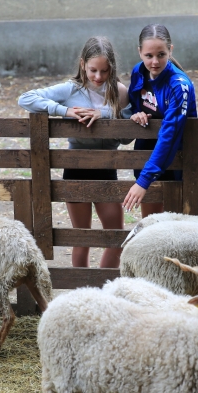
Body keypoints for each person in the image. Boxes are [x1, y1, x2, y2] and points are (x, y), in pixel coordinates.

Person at [18, 37, 129, 268]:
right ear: (82, 64)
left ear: (112, 68)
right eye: (93, 70)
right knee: (81, 237)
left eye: (104, 71)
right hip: (76, 165)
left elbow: (127, 137)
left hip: (107, 166)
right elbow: (25, 98)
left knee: (116, 237)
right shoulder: (71, 89)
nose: (98, 77)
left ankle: (102, 291)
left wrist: (106, 116)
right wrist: (63, 110)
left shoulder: (119, 92)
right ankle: (81, 292)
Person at [123, 24, 197, 217]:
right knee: (151, 226)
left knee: (177, 228)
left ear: (170, 50)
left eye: (161, 55)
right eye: (149, 56)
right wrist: (136, 112)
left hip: (176, 159)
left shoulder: (179, 86)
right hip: (146, 153)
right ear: (139, 52)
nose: (154, 61)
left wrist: (143, 181)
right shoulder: (138, 72)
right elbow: (134, 102)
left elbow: (170, 134)